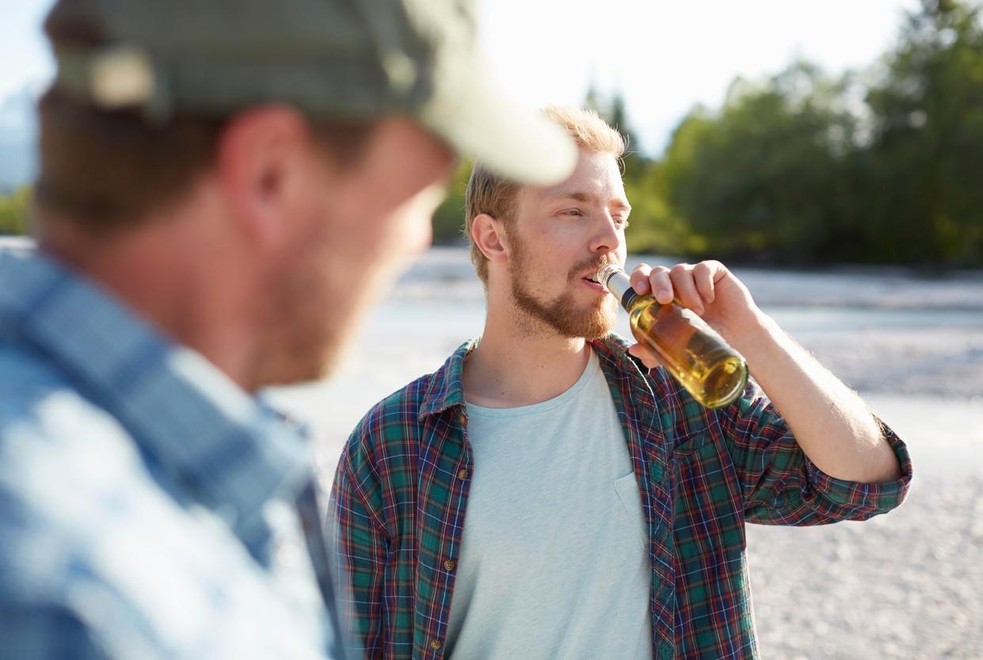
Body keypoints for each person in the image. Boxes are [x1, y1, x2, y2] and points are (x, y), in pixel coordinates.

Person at [0, 0, 578, 657]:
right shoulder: (73, 604)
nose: (416, 239)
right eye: (417, 194)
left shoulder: (172, 491)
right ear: (270, 175)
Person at [330, 106, 913, 659]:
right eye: (573, 211)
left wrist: (750, 331)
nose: (609, 237)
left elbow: (864, 482)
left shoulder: (679, 398)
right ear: (494, 238)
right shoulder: (394, 444)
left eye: (618, 214)